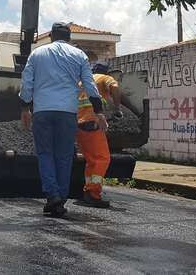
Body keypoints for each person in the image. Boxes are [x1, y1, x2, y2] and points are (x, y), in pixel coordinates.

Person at [19, 23, 107, 217]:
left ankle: (53, 196)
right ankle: (61, 196)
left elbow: (27, 83)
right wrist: (99, 111)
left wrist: (25, 108)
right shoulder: (79, 55)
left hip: (42, 111)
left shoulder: (37, 54)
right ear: (68, 37)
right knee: (64, 155)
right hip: (68, 112)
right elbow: (90, 85)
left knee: (45, 153)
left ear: (51, 36)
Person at [76, 62, 123, 208]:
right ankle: (93, 193)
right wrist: (117, 108)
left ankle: (88, 191)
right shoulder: (105, 78)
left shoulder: (81, 82)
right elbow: (115, 88)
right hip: (93, 123)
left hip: (79, 125)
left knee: (91, 161)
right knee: (103, 159)